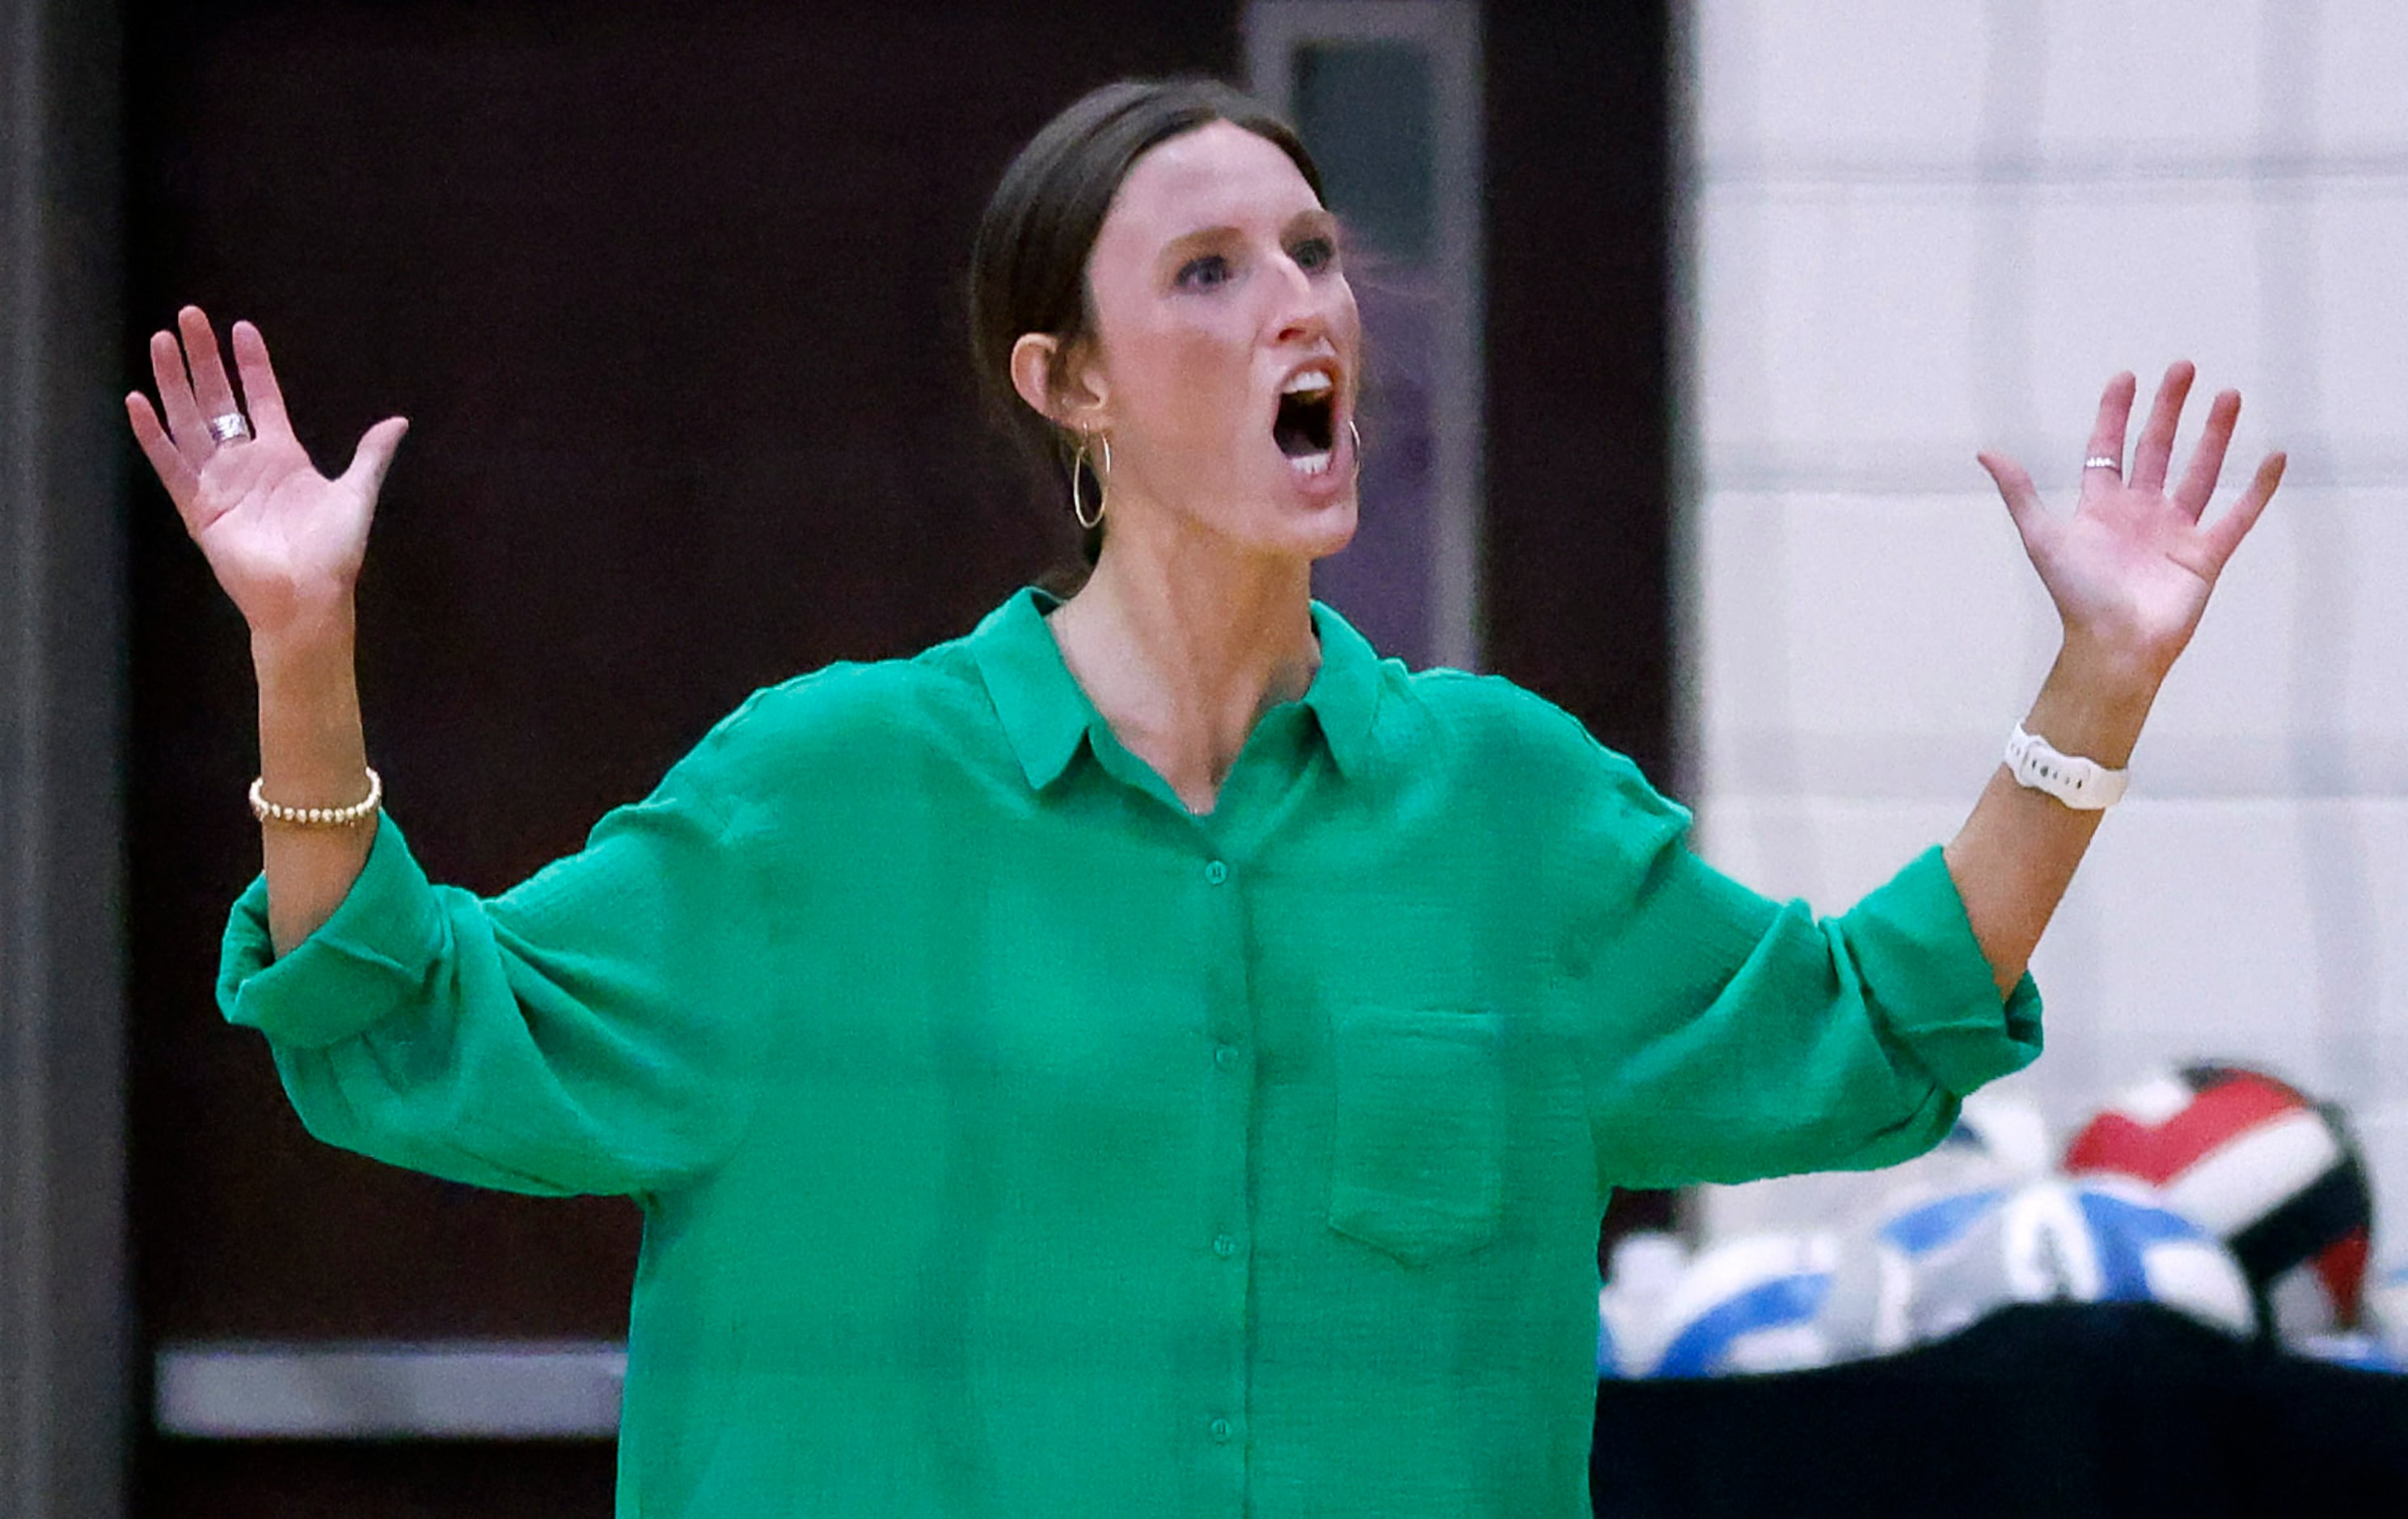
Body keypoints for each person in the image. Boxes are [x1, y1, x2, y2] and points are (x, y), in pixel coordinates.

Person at [126, 77, 2284, 1519]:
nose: (1304, 305)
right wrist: (299, 656)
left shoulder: (1506, 811)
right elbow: (405, 1029)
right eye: (1207, 271)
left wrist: (2095, 684)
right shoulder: (822, 801)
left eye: (1316, 251)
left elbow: (1858, 1030)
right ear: (1059, 388)